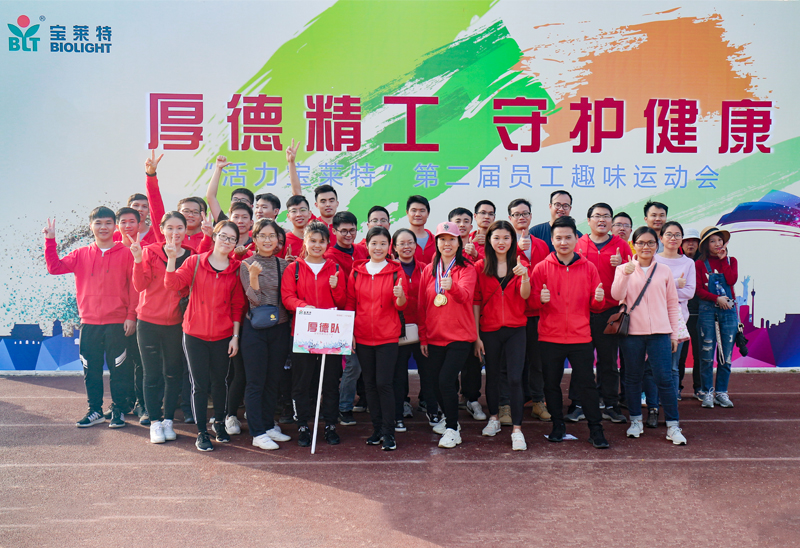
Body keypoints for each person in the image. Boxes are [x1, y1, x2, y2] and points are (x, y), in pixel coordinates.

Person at [43, 208, 137, 429]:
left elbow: (134, 288)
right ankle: (95, 410)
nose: (103, 227)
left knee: (119, 369)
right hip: (89, 322)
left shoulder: (127, 254)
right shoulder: (81, 254)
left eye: (108, 223)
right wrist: (50, 241)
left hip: (117, 322)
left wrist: (131, 316)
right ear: (91, 226)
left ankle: (118, 409)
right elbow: (54, 268)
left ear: (115, 226)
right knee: (91, 370)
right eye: (98, 223)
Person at [164, 220, 246, 452]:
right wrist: (171, 259)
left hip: (223, 335)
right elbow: (172, 284)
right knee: (199, 385)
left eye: (232, 238)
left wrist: (235, 336)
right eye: (223, 236)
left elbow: (237, 306)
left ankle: (219, 423)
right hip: (194, 334)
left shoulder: (236, 268)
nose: (227, 241)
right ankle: (201, 432)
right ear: (215, 236)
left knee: (220, 382)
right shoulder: (195, 262)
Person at [531, 216, 609, 449]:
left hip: (580, 337)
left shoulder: (589, 267)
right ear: (552, 240)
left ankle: (596, 430)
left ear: (576, 238)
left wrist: (599, 299)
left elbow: (597, 307)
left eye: (568, 237)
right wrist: (539, 299)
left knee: (587, 385)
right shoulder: (541, 268)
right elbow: (530, 303)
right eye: (558, 238)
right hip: (549, 337)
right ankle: (558, 426)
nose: (563, 242)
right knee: (551, 384)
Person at [611, 227, 686, 445]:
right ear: (633, 244)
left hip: (660, 334)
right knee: (633, 378)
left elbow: (672, 304)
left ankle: (673, 426)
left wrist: (674, 334)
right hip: (632, 334)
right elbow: (616, 295)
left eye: (651, 243)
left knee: (664, 379)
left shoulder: (664, 270)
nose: (646, 247)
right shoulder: (624, 268)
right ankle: (636, 421)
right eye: (641, 243)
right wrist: (625, 274)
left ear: (656, 245)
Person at [281, 221, 347, 447]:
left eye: (321, 241)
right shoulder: (294, 269)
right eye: (313, 241)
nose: (317, 245)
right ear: (305, 242)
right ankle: (302, 425)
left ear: (328, 243)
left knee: (330, 382)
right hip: (303, 333)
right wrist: (303, 306)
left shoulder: (335, 268)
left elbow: (342, 301)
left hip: (330, 335)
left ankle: (330, 425)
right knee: (301, 382)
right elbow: (287, 297)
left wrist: (336, 287)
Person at [130, 211, 194, 443]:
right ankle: (155, 423)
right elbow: (139, 285)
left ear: (186, 230)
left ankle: (168, 421)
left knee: (173, 373)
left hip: (176, 323)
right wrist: (138, 259)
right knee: (152, 374)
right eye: (170, 228)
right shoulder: (149, 252)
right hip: (148, 321)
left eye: (179, 228)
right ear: (162, 229)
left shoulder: (191, 255)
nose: (175, 233)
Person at [568, 203, 632, 424]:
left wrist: (621, 266)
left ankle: (611, 404)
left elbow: (633, 277)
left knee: (608, 362)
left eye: (606, 216)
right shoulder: (578, 244)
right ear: (588, 220)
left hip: (610, 312)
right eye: (597, 216)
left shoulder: (621, 246)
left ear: (611, 221)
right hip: (582, 312)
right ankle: (578, 404)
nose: (602, 220)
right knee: (581, 360)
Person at [347, 227, 408, 451]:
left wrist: (400, 297)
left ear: (388, 246)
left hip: (387, 337)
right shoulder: (356, 272)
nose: (378, 248)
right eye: (374, 243)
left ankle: (389, 433)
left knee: (384, 384)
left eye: (383, 244)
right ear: (367, 245)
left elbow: (401, 305)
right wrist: (351, 332)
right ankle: (377, 430)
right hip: (363, 336)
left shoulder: (396, 271)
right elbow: (350, 303)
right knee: (370, 385)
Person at [418, 222, 477, 448]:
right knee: (435, 383)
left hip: (459, 336)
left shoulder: (466, 268)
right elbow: (422, 306)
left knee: (445, 380)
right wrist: (423, 337)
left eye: (452, 239)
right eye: (442, 239)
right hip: (434, 336)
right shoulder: (428, 270)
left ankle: (453, 429)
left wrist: (452, 287)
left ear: (459, 242)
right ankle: (450, 420)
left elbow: (466, 296)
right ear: (437, 243)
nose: (447, 243)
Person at [473, 220, 531, 450]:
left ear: (512, 241)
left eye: (506, 238)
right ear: (489, 240)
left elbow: (525, 295)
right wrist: (476, 335)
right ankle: (494, 418)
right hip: (489, 330)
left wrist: (524, 276)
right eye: (496, 237)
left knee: (515, 378)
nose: (501, 242)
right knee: (493, 376)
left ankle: (517, 429)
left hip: (516, 329)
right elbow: (476, 301)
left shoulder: (520, 263)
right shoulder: (480, 266)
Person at [239, 218, 292, 451]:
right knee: (256, 381)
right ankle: (257, 432)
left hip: (280, 328)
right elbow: (255, 301)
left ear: (278, 239)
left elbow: (288, 296)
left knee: (273, 380)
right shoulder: (246, 264)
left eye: (272, 236)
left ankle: (269, 424)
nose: (268, 240)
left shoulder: (284, 265)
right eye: (263, 236)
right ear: (255, 239)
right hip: (255, 329)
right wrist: (253, 277)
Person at [507, 198, 550, 424]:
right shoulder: (505, 243)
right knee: (513, 361)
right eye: (516, 214)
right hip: (514, 311)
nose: (521, 217)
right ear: (510, 218)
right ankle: (508, 403)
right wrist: (517, 249)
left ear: (531, 216)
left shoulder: (541, 244)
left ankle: (538, 401)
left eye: (525, 213)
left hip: (537, 310)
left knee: (537, 360)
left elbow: (546, 275)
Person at [391, 228, 439, 427]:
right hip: (398, 330)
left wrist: (425, 331)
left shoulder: (426, 269)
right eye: (401, 243)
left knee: (428, 373)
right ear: (394, 247)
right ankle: (399, 413)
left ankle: (432, 410)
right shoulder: (390, 269)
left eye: (410, 242)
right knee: (398, 375)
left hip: (422, 329)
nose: (406, 247)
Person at [324, 211, 368, 426]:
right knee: (352, 365)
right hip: (342, 315)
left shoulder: (362, 250)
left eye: (352, 230)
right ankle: (344, 407)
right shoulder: (329, 256)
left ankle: (363, 399)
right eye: (343, 231)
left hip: (365, 314)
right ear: (334, 231)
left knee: (364, 364)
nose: (348, 235)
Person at [695, 226, 738, 409]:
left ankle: (721, 392)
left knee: (725, 355)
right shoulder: (699, 264)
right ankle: (707, 392)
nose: (717, 244)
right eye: (712, 241)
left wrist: (723, 260)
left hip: (728, 312)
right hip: (707, 312)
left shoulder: (731, 260)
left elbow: (731, 280)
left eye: (720, 240)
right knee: (706, 354)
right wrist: (716, 298)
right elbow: (698, 290)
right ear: (706, 245)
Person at [448, 207, 485, 420]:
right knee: (449, 360)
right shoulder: (443, 250)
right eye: (457, 221)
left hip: (473, 311)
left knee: (473, 358)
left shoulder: (480, 247)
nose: (461, 224)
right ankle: (450, 398)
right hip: (449, 314)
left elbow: (487, 274)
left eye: (465, 221)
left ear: (472, 225)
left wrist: (476, 255)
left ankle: (471, 399)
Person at [655, 221, 696, 404]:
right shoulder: (653, 259)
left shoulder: (688, 263)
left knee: (673, 363)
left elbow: (689, 292)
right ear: (661, 238)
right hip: (654, 316)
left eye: (677, 235)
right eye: (669, 234)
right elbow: (648, 289)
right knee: (653, 362)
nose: (673, 238)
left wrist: (664, 288)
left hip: (677, 319)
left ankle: (670, 398)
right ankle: (653, 397)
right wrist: (674, 283)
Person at [678, 228, 702, 399]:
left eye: (694, 240)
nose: (690, 244)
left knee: (700, 354)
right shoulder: (676, 260)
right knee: (679, 355)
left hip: (701, 314)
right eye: (687, 240)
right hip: (681, 314)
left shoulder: (704, 262)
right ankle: (676, 387)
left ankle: (699, 388)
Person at [205, 155, 254, 223]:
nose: (238, 202)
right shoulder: (224, 223)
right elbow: (210, 197)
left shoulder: (256, 227)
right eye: (235, 199)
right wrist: (218, 168)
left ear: (251, 206)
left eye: (243, 200)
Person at [406, 195, 435, 264]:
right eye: (414, 210)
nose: (417, 214)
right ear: (407, 213)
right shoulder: (398, 240)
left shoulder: (436, 241)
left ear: (428, 213)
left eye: (422, 211)